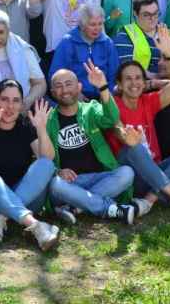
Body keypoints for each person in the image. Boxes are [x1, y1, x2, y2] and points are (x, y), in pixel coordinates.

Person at [107, 27, 170, 221]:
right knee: (133, 147)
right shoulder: (112, 104)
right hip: (132, 175)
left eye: (138, 78)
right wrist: (125, 136)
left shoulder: (148, 101)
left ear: (144, 81)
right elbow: (116, 128)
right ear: (119, 84)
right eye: (128, 79)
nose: (134, 83)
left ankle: (148, 201)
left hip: (156, 170)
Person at [0, 82, 60, 250]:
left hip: (26, 200)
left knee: (46, 164)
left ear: (21, 104)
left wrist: (41, 129)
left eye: (16, 100)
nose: (10, 106)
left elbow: (47, 158)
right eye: (4, 99)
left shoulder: (24, 124)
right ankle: (36, 226)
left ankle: (2, 218)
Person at [46, 63, 138, 225]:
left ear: (79, 87)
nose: (65, 90)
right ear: (53, 93)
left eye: (69, 84)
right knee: (55, 184)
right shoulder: (47, 121)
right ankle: (106, 207)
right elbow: (43, 159)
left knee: (127, 173)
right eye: (59, 86)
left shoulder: (91, 109)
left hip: (99, 178)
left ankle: (75, 207)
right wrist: (58, 171)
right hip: (69, 183)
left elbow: (111, 118)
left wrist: (102, 87)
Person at [0, 11, 46, 110]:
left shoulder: (22, 49)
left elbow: (40, 83)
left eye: (1, 32)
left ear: (8, 30)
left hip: (22, 108)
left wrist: (27, 102)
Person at [49, 4, 120, 101]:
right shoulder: (68, 42)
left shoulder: (107, 43)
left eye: (100, 24)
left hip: (104, 95)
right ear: (82, 25)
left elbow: (114, 75)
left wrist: (107, 94)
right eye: (92, 24)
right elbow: (55, 75)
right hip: (76, 97)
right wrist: (75, 93)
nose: (97, 28)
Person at [112, 0, 166, 80]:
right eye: (146, 15)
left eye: (156, 14)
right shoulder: (124, 36)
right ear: (135, 14)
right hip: (138, 89)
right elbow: (127, 70)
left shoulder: (168, 33)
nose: (152, 18)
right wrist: (158, 78)